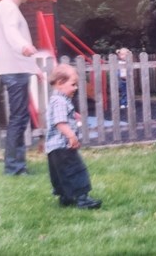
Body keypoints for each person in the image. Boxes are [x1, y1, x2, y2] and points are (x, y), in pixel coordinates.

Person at [0, 0, 38, 176]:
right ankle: (14, 167)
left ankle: (15, 164)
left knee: (19, 117)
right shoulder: (9, 8)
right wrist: (24, 47)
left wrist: (35, 69)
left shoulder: (5, 6)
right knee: (19, 118)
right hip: (14, 71)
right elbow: (12, 33)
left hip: (16, 69)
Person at [45, 64, 102, 209]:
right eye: (73, 84)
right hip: (63, 145)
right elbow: (60, 122)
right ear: (60, 83)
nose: (76, 88)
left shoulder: (57, 100)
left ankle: (66, 197)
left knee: (60, 173)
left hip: (54, 148)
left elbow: (61, 116)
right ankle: (82, 199)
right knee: (76, 170)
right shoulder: (60, 101)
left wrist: (73, 115)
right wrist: (71, 136)